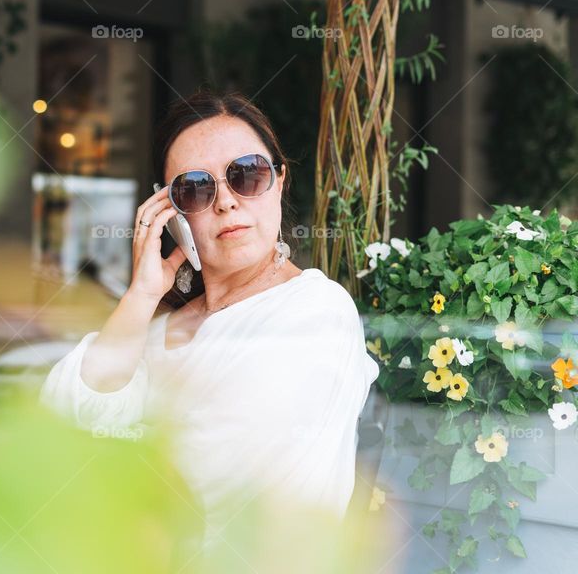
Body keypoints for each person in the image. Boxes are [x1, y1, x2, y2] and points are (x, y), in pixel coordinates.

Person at [39, 91, 379, 551]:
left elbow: (219, 477)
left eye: (247, 175)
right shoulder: (157, 329)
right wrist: (142, 295)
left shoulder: (316, 310)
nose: (226, 202)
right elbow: (62, 422)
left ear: (279, 181)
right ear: (171, 214)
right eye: (196, 188)